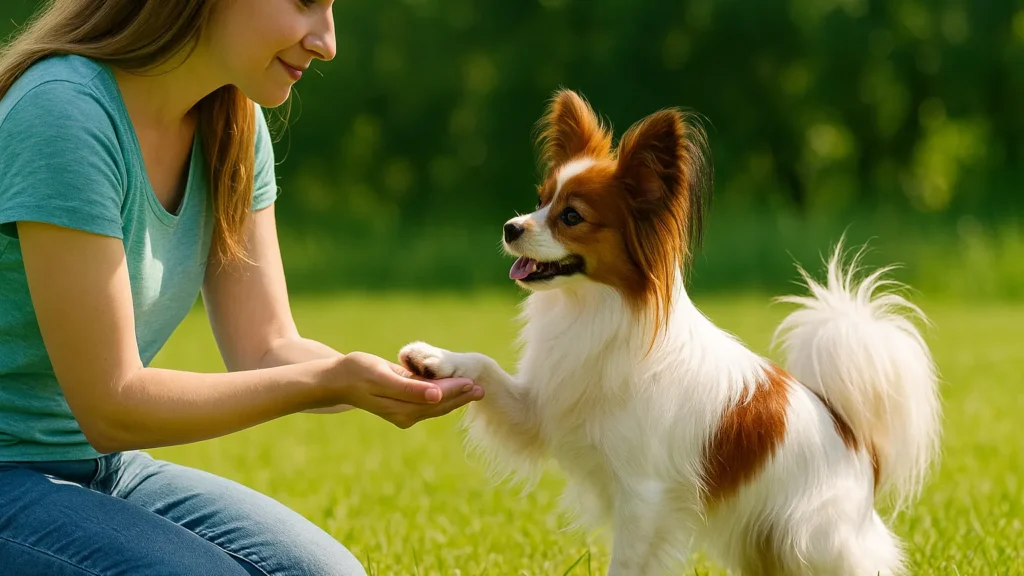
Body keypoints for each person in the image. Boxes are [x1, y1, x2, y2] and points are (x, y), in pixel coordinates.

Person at [0, 1, 484, 574]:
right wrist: (329, 380)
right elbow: (112, 405)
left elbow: (266, 347)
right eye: (304, 3)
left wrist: (383, 379)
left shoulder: (234, 123)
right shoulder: (65, 112)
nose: (327, 42)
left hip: (104, 466)